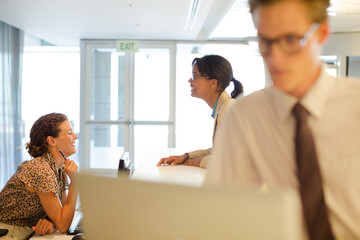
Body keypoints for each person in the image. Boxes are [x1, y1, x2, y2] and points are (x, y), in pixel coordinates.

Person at [205, 0, 360, 239]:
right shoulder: (247, 116)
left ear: (321, 32)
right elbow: (220, 213)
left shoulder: (355, 105)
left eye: (290, 40)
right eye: (265, 41)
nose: (275, 57)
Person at [0, 113, 79, 240]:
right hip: (7, 232)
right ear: (52, 141)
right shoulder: (40, 169)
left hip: (26, 231)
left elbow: (64, 214)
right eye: (70, 133)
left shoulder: (59, 169)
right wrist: (75, 182)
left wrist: (50, 222)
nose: (75, 137)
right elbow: (63, 224)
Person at [157, 55, 243, 168]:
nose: (190, 80)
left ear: (213, 83)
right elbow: (219, 151)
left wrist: (200, 161)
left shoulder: (229, 108)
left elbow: (232, 159)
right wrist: (187, 156)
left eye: (195, 76)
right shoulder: (223, 107)